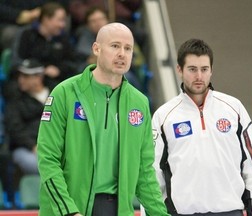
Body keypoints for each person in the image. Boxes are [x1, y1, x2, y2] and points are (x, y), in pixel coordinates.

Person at [37, 22, 169, 216]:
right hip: (69, 207)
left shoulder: (139, 103)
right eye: (115, 46)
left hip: (116, 209)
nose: (122, 54)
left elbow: (144, 171)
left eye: (128, 48)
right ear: (96, 49)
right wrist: (68, 211)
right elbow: (48, 159)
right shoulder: (65, 93)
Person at [151, 39, 252, 216]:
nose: (199, 76)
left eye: (204, 69)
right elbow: (153, 174)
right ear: (179, 70)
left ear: (211, 70)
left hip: (229, 212)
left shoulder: (233, 108)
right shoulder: (164, 115)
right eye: (192, 69)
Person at [11, 2, 85, 90]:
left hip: (57, 82)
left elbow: (73, 61)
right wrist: (42, 70)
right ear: (46, 19)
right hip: (29, 80)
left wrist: (59, 70)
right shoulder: (26, 35)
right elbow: (16, 61)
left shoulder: (62, 38)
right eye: (60, 20)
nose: (63, 25)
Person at [4, 58, 50, 174]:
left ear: (38, 77)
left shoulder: (56, 94)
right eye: (20, 76)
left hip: (54, 147)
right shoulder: (16, 100)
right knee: (38, 165)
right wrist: (32, 146)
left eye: (26, 76)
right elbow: (15, 129)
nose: (20, 80)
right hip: (27, 149)